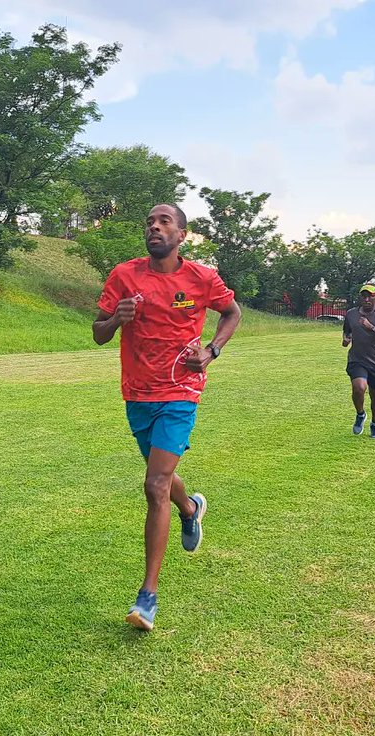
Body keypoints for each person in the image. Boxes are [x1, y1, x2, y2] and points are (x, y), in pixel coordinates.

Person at [93, 203, 242, 631]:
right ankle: (191, 508)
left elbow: (232, 313)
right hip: (137, 394)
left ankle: (148, 597)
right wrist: (116, 320)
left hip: (181, 390)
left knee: (154, 484)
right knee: (162, 477)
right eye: (150, 222)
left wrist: (211, 351)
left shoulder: (201, 278)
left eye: (164, 222)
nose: (154, 227)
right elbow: (98, 333)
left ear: (182, 235)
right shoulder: (124, 275)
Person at [342, 284, 375, 439]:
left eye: (370, 296)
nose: (366, 299)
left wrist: (370, 327)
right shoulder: (351, 314)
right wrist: (346, 338)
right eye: (363, 296)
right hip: (357, 359)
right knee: (359, 388)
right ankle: (360, 414)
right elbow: (347, 330)